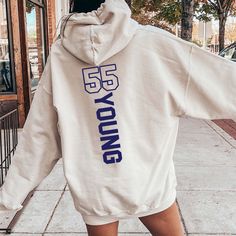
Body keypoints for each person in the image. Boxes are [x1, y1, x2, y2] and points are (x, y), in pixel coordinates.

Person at [0, 0, 235, 236]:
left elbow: (40, 133)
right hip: (148, 183)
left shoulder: (61, 55)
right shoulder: (154, 44)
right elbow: (217, 79)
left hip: (95, 190)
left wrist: (12, 193)